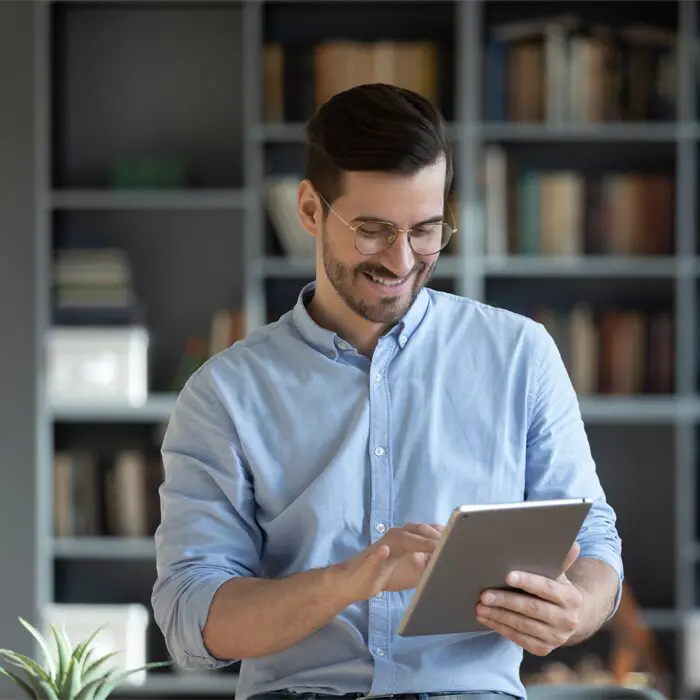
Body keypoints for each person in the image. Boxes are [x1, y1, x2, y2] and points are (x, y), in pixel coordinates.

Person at [151, 83, 623, 700]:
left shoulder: (520, 355)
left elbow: (594, 542)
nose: (401, 260)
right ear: (311, 210)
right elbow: (191, 619)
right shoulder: (225, 393)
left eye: (426, 230)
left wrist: (577, 608)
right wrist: (352, 580)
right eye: (372, 230)